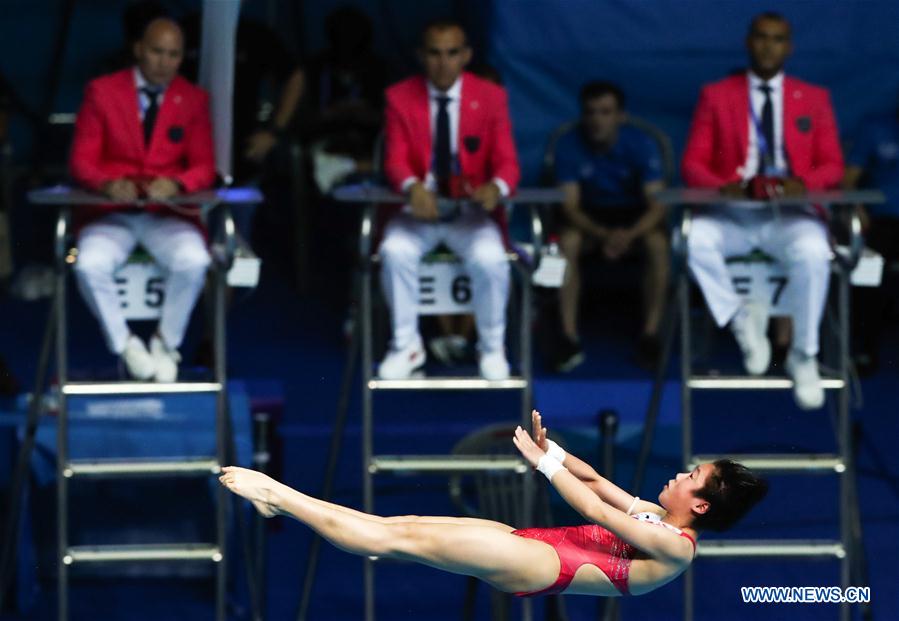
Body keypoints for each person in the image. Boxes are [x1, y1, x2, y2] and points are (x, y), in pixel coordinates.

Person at [220, 410, 767, 598]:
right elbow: (600, 484)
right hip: (532, 549)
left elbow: (598, 513)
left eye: (691, 476)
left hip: (537, 565)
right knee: (400, 528)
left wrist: (543, 464)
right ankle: (283, 504)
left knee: (393, 538)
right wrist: (559, 451)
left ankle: (279, 495)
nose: (679, 473)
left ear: (698, 506)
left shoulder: (675, 549)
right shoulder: (653, 516)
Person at [682, 12, 844, 410]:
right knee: (692, 239)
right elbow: (692, 164)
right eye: (761, 37)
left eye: (778, 39)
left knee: (813, 250)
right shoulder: (717, 94)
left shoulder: (814, 97)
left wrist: (802, 185)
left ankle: (803, 354)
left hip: (790, 212)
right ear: (748, 42)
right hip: (733, 210)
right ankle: (740, 318)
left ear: (789, 47)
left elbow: (833, 165)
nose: (769, 46)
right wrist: (723, 187)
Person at [69, 17, 215, 382]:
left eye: (174, 54)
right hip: (110, 213)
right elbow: (81, 162)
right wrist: (106, 183)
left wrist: (177, 184)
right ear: (138, 50)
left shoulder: (193, 99)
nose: (164, 62)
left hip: (168, 213)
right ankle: (126, 344)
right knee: (88, 264)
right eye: (156, 52)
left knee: (195, 260)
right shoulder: (102, 92)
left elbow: (204, 166)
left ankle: (166, 342)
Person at [378, 19, 520, 381]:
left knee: (491, 258)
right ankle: (405, 345)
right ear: (421, 57)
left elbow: (507, 162)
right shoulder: (398, 96)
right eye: (435, 53)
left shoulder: (491, 96)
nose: (443, 63)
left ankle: (491, 346)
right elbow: (394, 159)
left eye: (452, 53)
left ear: (466, 56)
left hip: (470, 212)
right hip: (418, 210)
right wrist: (412, 186)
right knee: (395, 250)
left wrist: (497, 187)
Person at [553, 81, 668, 372]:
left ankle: (651, 335)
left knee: (658, 244)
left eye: (605, 112)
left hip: (634, 217)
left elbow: (658, 204)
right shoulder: (568, 145)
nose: (597, 120)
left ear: (621, 116)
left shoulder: (642, 144)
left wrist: (628, 235)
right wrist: (604, 235)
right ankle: (567, 337)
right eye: (590, 112)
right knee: (567, 242)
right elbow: (569, 206)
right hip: (590, 217)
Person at [843, 102, 899, 375]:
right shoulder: (876, 127)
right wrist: (857, 209)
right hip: (882, 220)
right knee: (868, 268)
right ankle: (865, 349)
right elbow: (848, 179)